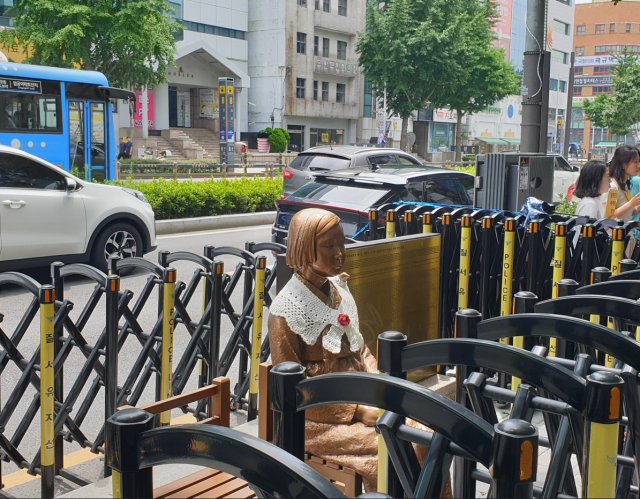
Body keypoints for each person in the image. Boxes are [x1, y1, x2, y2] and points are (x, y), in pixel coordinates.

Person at [268, 208, 450, 495]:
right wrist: (355, 410)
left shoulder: (339, 291)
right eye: (329, 246)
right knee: (401, 446)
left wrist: (378, 388)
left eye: (342, 243)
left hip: (362, 398)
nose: (340, 252)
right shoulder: (285, 310)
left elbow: (360, 347)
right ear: (303, 248)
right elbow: (291, 390)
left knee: (430, 435)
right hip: (316, 420)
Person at [608, 145, 640, 221]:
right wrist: (630, 204)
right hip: (613, 232)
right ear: (623, 164)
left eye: (639, 161)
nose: (638, 166)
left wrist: (636, 209)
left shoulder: (625, 185)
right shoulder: (612, 186)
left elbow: (625, 214)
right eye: (635, 162)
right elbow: (608, 217)